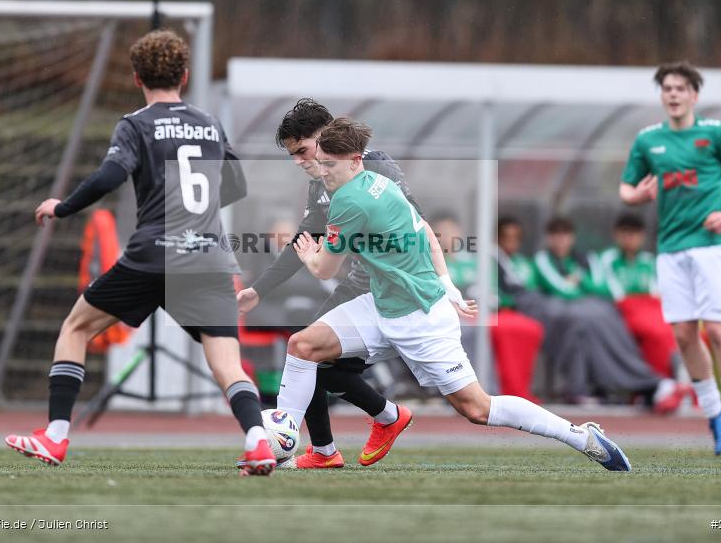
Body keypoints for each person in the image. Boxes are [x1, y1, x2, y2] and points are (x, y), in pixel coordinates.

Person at [278, 117, 632, 472]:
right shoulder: (381, 184)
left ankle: (580, 435)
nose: (322, 171)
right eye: (320, 161)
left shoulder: (349, 202)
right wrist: (448, 284)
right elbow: (428, 233)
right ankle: (293, 439)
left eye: (329, 164)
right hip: (382, 305)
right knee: (303, 346)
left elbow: (325, 269)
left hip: (420, 318)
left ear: (355, 160)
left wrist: (309, 254)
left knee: (477, 408)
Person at [5, 29, 276, 476]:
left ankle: (55, 436)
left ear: (136, 78)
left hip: (153, 254)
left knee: (75, 328)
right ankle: (257, 441)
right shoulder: (209, 123)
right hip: (207, 259)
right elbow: (237, 185)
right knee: (227, 363)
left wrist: (64, 206)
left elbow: (111, 175)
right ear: (185, 76)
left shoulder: (136, 124)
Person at [237, 99, 417, 469]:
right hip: (358, 286)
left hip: (395, 289)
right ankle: (329, 447)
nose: (300, 161)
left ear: (325, 136)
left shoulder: (376, 165)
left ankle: (380, 420)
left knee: (473, 404)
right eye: (293, 155)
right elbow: (302, 243)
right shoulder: (320, 186)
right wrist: (259, 290)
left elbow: (415, 222)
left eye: (303, 150)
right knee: (306, 352)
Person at [620, 60, 721, 454]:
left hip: (712, 247)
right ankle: (714, 415)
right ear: (661, 96)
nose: (674, 95)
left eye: (681, 88)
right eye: (667, 89)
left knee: (716, 328)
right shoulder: (649, 141)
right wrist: (639, 195)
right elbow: (626, 189)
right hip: (671, 248)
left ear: (694, 95)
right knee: (683, 334)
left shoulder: (716, 134)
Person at [499, 216, 675, 407]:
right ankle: (641, 383)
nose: (561, 241)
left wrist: (580, 280)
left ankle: (643, 384)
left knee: (603, 316)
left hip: (592, 307)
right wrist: (581, 287)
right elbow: (564, 290)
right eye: (556, 236)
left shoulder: (585, 258)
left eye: (565, 236)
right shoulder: (542, 259)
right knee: (584, 320)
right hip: (562, 309)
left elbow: (601, 289)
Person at [431, 212, 543, 402]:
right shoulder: (429, 263)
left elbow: (491, 290)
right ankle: (480, 391)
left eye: (452, 230)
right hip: (450, 314)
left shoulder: (475, 261)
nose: (448, 236)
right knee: (472, 331)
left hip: (481, 311)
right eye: (442, 232)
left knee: (524, 328)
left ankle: (512, 390)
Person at [600, 213, 681, 381]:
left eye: (634, 234)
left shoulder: (648, 261)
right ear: (616, 235)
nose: (629, 238)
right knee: (657, 333)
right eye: (625, 233)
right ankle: (660, 382)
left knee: (672, 332)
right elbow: (614, 291)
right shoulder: (607, 259)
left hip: (650, 307)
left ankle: (674, 382)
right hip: (623, 309)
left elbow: (656, 291)